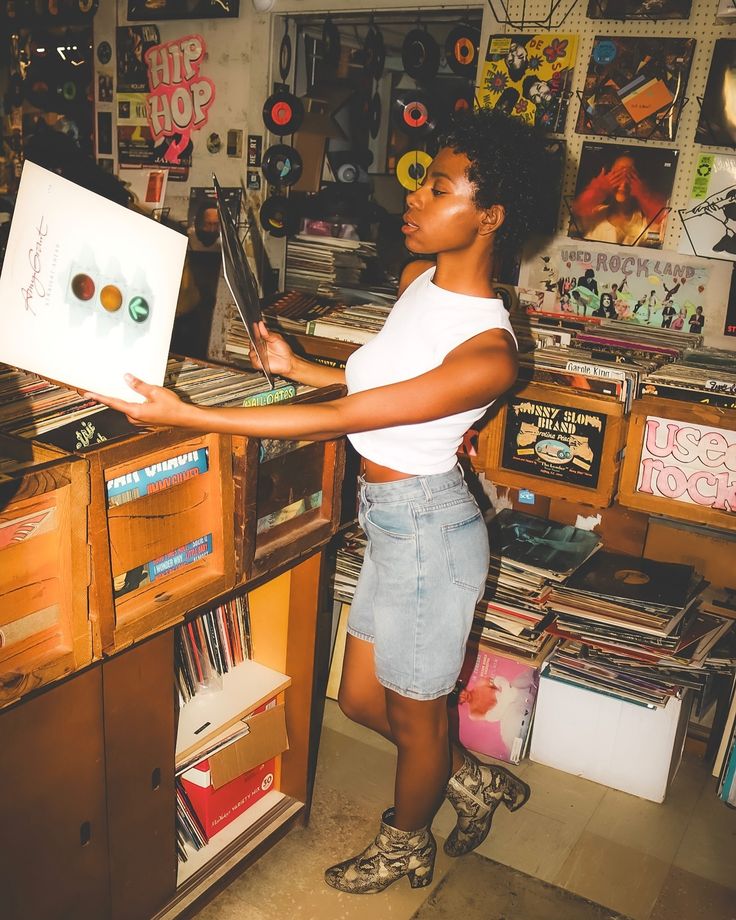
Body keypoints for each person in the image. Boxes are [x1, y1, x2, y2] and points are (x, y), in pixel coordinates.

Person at [88, 108, 550, 896]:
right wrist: (294, 364)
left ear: (490, 216)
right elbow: (372, 391)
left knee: (415, 721)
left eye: (437, 188)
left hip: (433, 536)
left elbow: (348, 420)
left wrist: (188, 413)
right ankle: (472, 780)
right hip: (390, 526)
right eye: (420, 181)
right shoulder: (418, 282)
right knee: (367, 701)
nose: (413, 197)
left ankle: (406, 842)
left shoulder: (490, 354)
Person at [571, 154, 667, 246]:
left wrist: (644, 195)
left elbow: (664, 222)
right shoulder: (594, 214)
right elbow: (570, 216)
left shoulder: (646, 225)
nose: (623, 183)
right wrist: (598, 189)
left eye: (630, 175)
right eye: (618, 175)